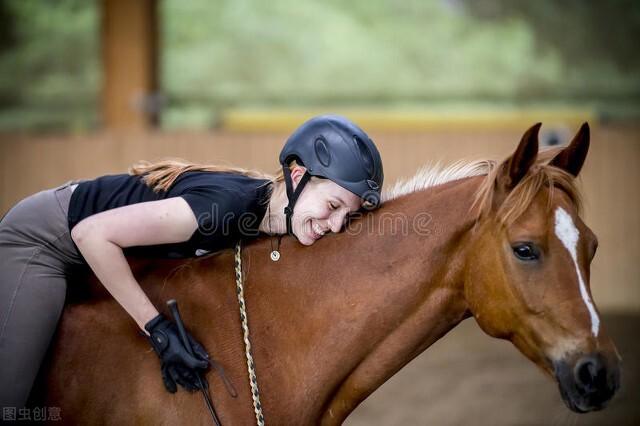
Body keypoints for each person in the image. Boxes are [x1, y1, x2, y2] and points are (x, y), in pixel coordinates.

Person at [0, 114, 384, 409]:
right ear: (297, 175)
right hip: (44, 241)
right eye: (333, 206)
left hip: (94, 247)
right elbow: (91, 235)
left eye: (345, 217)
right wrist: (156, 330)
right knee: (11, 397)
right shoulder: (224, 208)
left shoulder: (270, 216)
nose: (335, 226)